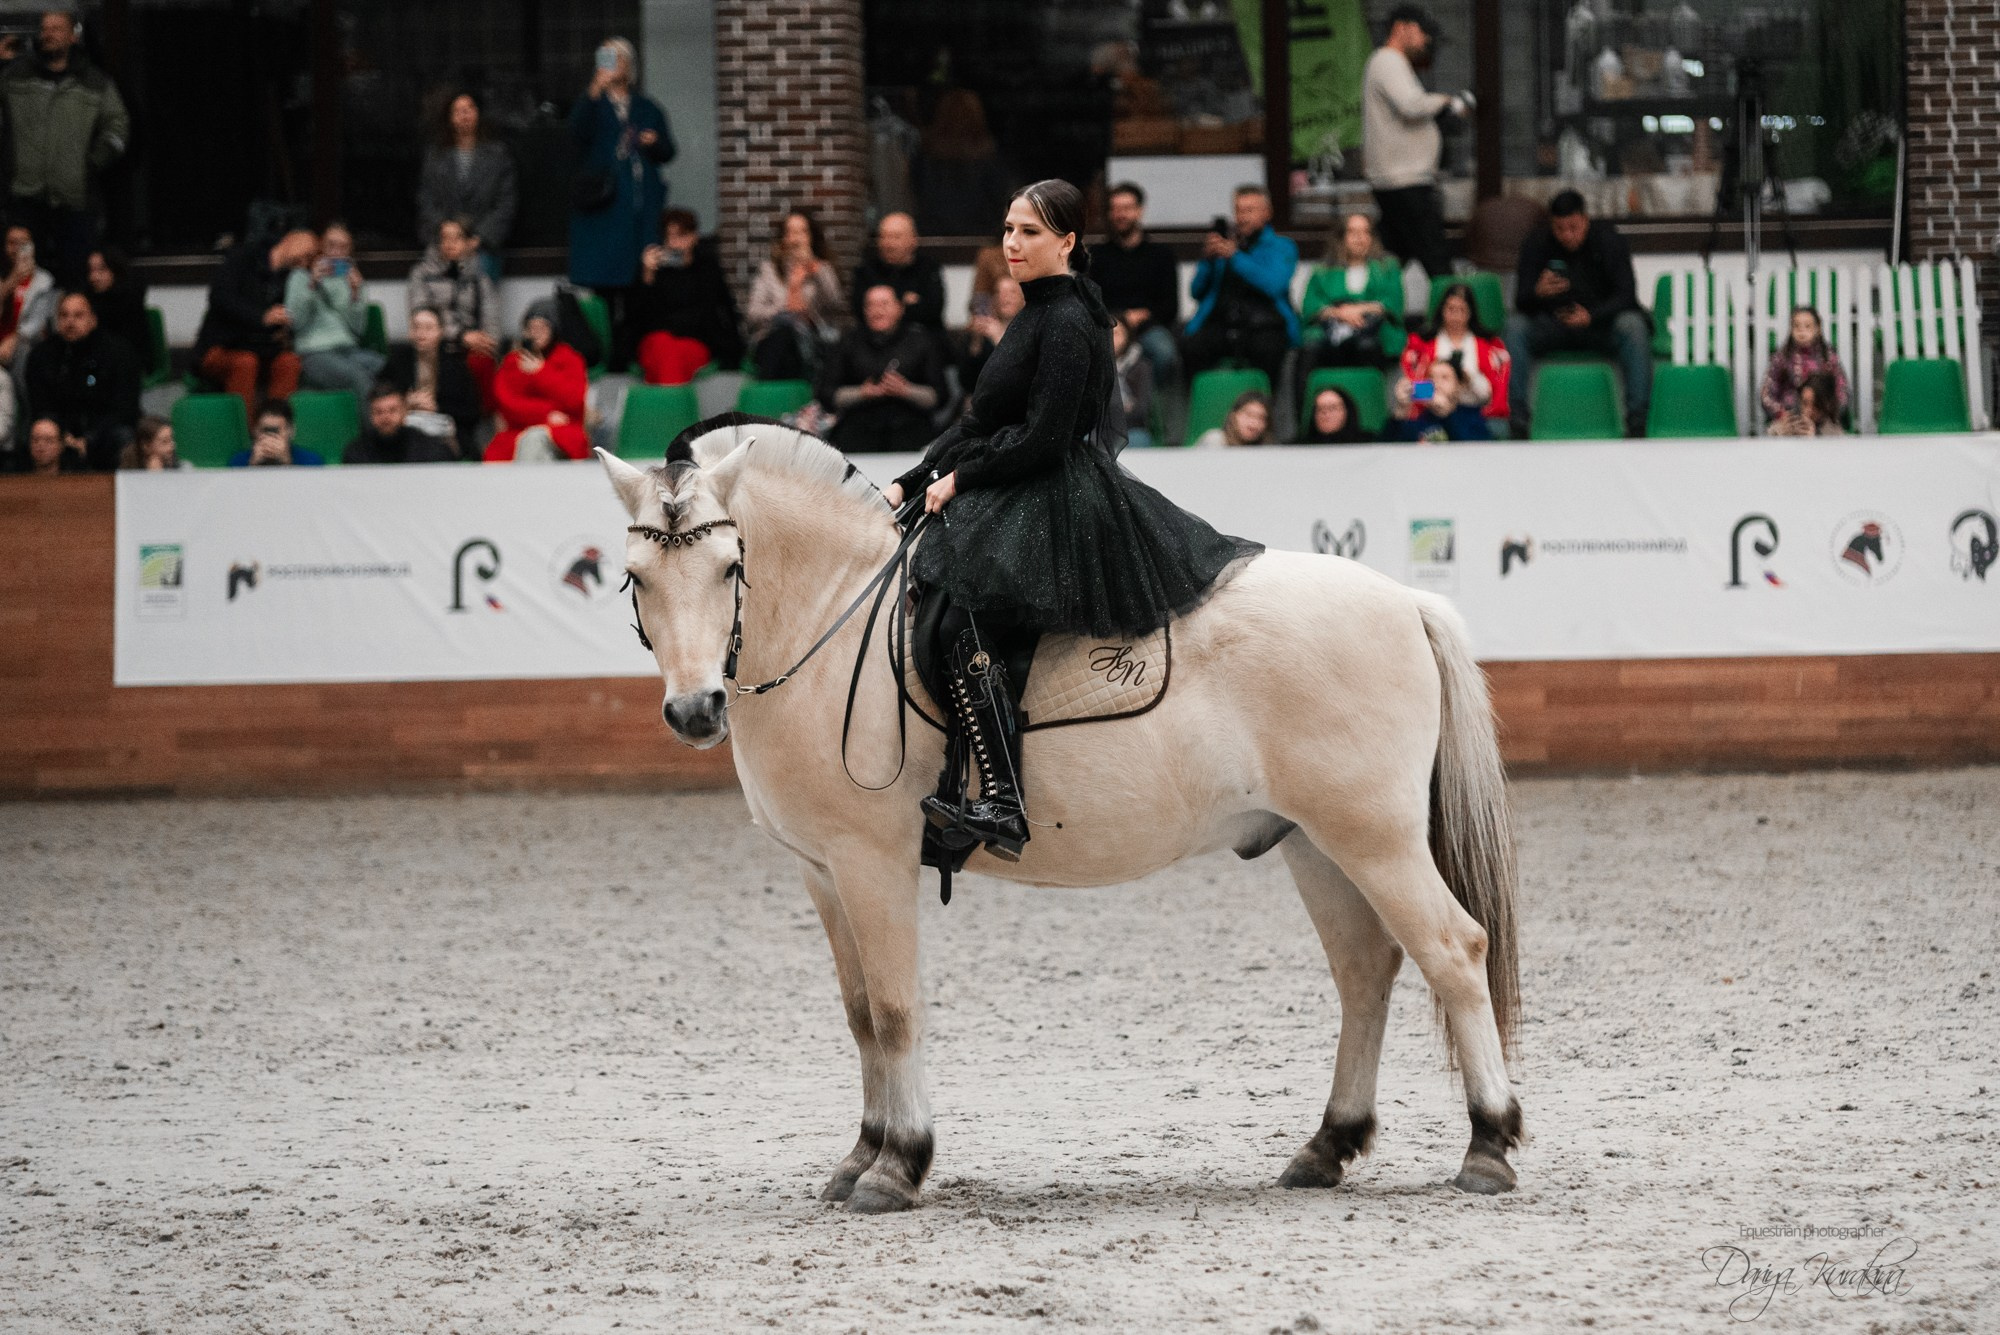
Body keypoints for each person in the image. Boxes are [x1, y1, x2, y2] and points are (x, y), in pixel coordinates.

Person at [881, 180, 1260, 862]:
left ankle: (1002, 797)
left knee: (965, 616)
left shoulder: (1067, 321)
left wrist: (961, 478)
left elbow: (1045, 438)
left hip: (1054, 491)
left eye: (1028, 232)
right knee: (938, 614)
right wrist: (909, 480)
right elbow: (977, 422)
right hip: (1018, 478)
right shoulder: (1032, 314)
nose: (1011, 244)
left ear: (1066, 242)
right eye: (1007, 230)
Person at [0, 10, 129, 291]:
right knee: (21, 280)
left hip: (75, 199)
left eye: (56, 29)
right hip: (24, 197)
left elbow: (118, 126)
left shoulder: (95, 82)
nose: (48, 34)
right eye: (44, 29)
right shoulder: (15, 77)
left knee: (76, 279)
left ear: (73, 36)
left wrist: (95, 161)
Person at [1506, 190, 1651, 437]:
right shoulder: (1537, 242)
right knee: (1515, 327)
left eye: (1573, 227)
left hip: (1599, 325)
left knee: (1633, 326)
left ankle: (1637, 421)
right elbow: (1521, 301)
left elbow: (1627, 295)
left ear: (1585, 220)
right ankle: (1517, 417)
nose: (1567, 235)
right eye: (1560, 228)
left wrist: (1592, 315)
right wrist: (1537, 293)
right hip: (1553, 324)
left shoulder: (1608, 240)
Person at [568, 36, 674, 368]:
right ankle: (607, 357)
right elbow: (576, 135)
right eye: (606, 58)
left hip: (640, 210)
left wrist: (654, 141)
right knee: (605, 289)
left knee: (638, 287)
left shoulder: (646, 107)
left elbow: (669, 151)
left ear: (629, 65)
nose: (613, 65)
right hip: (604, 210)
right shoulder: (593, 103)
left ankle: (633, 356)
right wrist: (593, 90)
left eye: (618, 59)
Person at [1361, 5, 1468, 282]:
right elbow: (1410, 105)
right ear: (1401, 27)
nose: (1425, 42)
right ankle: (1452, 317)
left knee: (1393, 258)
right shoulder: (1387, 60)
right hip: (1404, 180)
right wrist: (1447, 102)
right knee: (1437, 259)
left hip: (1398, 178)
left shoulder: (1390, 64)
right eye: (1422, 33)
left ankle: (1374, 309)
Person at [1182, 185, 1298, 391]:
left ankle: (1263, 414)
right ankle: (1203, 412)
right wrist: (1207, 261)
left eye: (1250, 210)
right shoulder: (1225, 246)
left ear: (1267, 213)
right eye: (1238, 210)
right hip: (1222, 323)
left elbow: (1273, 285)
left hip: (1265, 324)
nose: (1242, 217)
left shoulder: (1282, 246)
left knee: (1268, 350)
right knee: (1192, 346)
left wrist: (1235, 257)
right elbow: (1196, 292)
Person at [194, 228, 316, 418]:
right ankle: (243, 434)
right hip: (223, 345)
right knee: (245, 362)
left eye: (310, 260)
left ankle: (277, 426)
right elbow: (220, 298)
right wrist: (262, 317)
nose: (306, 262)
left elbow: (295, 316)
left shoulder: (292, 278)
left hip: (265, 348)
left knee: (289, 362)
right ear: (290, 239)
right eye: (307, 253)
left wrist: (286, 333)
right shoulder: (243, 257)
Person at [817, 284, 943, 454]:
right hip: (858, 427)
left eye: (884, 304)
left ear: (900, 308)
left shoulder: (921, 341)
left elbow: (940, 397)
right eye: (871, 305)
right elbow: (826, 394)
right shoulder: (848, 342)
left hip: (910, 426)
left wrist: (906, 390)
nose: (877, 311)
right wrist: (862, 393)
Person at [628, 208, 744, 385]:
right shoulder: (655, 272)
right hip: (657, 341)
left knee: (670, 357)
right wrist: (647, 278)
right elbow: (638, 317)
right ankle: (675, 406)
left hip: (693, 342)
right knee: (663, 349)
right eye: (669, 237)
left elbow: (719, 310)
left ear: (693, 237)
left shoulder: (707, 270)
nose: (674, 243)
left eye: (681, 236)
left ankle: (666, 405)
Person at [25, 289, 139, 468]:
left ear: (93, 319)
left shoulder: (118, 352)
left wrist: (90, 439)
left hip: (105, 432)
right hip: (62, 432)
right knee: (40, 435)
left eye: (78, 315)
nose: (70, 322)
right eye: (64, 315)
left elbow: (124, 408)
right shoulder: (42, 355)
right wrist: (64, 436)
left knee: (124, 436)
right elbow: (41, 405)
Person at [416, 91, 518, 279]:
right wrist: (448, 235)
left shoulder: (498, 155)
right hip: (443, 244)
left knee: (480, 293)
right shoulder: (436, 156)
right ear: (449, 118)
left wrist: (476, 240)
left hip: (483, 246)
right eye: (459, 110)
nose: (465, 114)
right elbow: (426, 200)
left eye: (470, 108)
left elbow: (506, 204)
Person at [286, 221, 383, 410]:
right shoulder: (300, 276)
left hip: (348, 351)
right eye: (331, 245)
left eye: (343, 247)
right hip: (314, 353)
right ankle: (374, 437)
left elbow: (358, 329)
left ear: (350, 251)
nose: (336, 252)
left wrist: (355, 294)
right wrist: (312, 285)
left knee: (387, 370)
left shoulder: (353, 279)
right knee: (358, 377)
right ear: (321, 246)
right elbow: (296, 323)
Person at [1093, 182, 1180, 384]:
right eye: (1115, 209)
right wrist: (1120, 317)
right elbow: (1090, 303)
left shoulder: (1162, 255)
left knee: (1165, 353)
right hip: (1109, 326)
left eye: (1126, 208)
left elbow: (1171, 307)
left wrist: (1144, 315)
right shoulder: (1096, 256)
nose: (1120, 214)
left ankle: (1151, 408)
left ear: (1139, 211)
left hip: (1149, 327)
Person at [406, 216, 503, 396]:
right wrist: (460, 335)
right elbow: (420, 313)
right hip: (436, 340)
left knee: (483, 362)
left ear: (470, 243)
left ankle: (484, 419)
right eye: (445, 238)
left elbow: (492, 318)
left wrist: (486, 342)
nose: (450, 243)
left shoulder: (479, 278)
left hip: (471, 345)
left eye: (457, 238)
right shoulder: (421, 274)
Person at [483, 301, 589, 463]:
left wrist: (541, 373)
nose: (535, 333)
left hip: (562, 432)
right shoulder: (513, 361)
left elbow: (574, 400)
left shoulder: (570, 359)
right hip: (518, 430)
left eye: (542, 328)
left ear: (554, 329)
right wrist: (545, 414)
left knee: (534, 441)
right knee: (505, 451)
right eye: (530, 328)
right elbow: (507, 404)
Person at [1302, 212, 1407, 371]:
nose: (1360, 238)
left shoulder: (1388, 267)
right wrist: (1339, 313)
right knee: (1310, 348)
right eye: (1354, 232)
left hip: (1376, 329)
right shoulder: (1323, 270)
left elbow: (1394, 302)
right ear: (1341, 237)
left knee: (1367, 345)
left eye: (1366, 232)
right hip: (1330, 329)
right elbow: (1310, 306)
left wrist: (1359, 309)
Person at [745, 209, 842, 381]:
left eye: (802, 232)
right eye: (791, 232)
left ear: (811, 236)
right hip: (772, 338)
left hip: (811, 340)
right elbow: (753, 313)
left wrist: (815, 269)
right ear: (783, 238)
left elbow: (835, 303)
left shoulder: (821, 269)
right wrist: (785, 311)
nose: (796, 238)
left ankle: (769, 394)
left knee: (790, 344)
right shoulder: (769, 270)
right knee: (784, 335)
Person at [1399, 281, 1510, 423]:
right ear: (1442, 310)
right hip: (1432, 412)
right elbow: (1413, 386)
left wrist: (1469, 379)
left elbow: (1493, 394)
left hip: (1475, 413)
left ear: (1471, 313)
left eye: (1462, 310)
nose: (1456, 316)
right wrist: (1436, 395)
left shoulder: (1490, 347)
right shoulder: (1421, 345)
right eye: (1451, 309)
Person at [911, 89, 1012, 238]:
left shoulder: (926, 156)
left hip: (933, 233)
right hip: (979, 234)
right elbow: (999, 198)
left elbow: (916, 192)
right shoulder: (989, 158)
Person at [383, 306, 483, 454]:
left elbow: (472, 412)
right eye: (416, 327)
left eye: (428, 328)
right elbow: (380, 397)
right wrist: (405, 404)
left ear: (440, 331)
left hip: (445, 432)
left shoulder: (455, 365)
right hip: (404, 429)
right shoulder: (397, 361)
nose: (421, 333)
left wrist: (436, 408)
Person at [849, 211, 945, 334]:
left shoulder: (928, 268)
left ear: (913, 240)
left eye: (896, 237)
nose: (888, 244)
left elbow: (932, 310)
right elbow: (860, 310)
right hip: (875, 343)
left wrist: (888, 306)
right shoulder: (866, 271)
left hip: (922, 339)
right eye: (883, 237)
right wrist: (904, 301)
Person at [1760, 306, 1850, 428]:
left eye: (1807, 326)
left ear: (1817, 329)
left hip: (1824, 420)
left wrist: (1829, 412)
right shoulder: (1782, 358)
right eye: (1796, 326)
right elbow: (1767, 393)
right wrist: (1781, 413)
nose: (1801, 331)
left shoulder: (1828, 358)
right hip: (1789, 419)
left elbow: (1841, 390)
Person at [0, 224, 57, 390]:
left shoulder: (44, 280)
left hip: (24, 344)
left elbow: (38, 323)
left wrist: (14, 339)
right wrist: (12, 281)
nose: (17, 248)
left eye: (23, 243)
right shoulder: (5, 277)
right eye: (12, 243)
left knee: (24, 353)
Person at [344, 383, 457, 465]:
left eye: (392, 410)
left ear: (404, 412)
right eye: (378, 412)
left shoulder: (428, 448)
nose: (385, 417)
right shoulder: (357, 452)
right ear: (370, 415)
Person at [1390, 360, 1491, 442]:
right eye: (1431, 377)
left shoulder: (1473, 415)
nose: (1436, 382)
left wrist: (1447, 413)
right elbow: (1390, 448)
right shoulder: (1420, 419)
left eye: (1445, 377)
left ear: (1459, 386)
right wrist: (1401, 411)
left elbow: (1478, 450)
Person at [83, 247, 146, 357]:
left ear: (115, 270)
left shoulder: (129, 301)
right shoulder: (86, 299)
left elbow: (130, 347)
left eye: (101, 270)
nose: (94, 277)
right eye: (91, 270)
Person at [961, 276, 1022, 390]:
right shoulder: (984, 332)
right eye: (999, 292)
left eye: (1012, 292)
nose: (1004, 297)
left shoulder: (1031, 331)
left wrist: (999, 339)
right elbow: (966, 382)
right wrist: (976, 341)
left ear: (1023, 299)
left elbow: (1022, 376)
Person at [227, 399, 326, 467]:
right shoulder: (238, 461)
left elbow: (311, 492)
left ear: (291, 430)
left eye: (276, 431)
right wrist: (252, 466)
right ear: (255, 430)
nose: (271, 437)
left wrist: (287, 462)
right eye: (266, 430)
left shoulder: (311, 461)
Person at [1112, 315, 1155, 446]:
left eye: (1116, 333)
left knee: (1135, 441)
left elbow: (1142, 409)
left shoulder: (1141, 367)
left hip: (1133, 429)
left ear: (1128, 335)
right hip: (1100, 430)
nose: (1110, 338)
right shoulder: (1095, 366)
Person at [1766, 371, 1846, 437]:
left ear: (1827, 406)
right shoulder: (1791, 421)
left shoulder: (1835, 434)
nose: (1808, 410)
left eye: (1816, 405)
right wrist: (1778, 433)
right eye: (1805, 403)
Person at [1192, 389, 1274, 448]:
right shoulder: (1215, 440)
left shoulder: (1268, 449)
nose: (1254, 424)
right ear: (1233, 415)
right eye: (1249, 415)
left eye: (1261, 418)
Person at [1297, 385, 1373, 444]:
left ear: (1346, 411)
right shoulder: (1299, 448)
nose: (1325, 413)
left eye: (1332, 408)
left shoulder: (1370, 443)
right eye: (1320, 409)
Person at [19, 414, 83, 474]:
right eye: (35, 440)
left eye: (49, 440)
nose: (41, 446)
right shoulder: (17, 477)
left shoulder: (75, 478)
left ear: (61, 445)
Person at [118, 415, 186, 470]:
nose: (173, 446)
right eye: (165, 442)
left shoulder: (179, 466)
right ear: (146, 446)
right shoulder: (128, 472)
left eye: (172, 439)